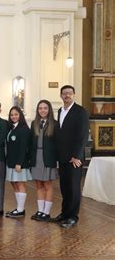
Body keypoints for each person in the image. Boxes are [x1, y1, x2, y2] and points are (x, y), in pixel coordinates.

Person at [52, 85, 89, 229]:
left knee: (73, 188)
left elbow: (83, 136)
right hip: (62, 157)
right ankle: (65, 213)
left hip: (75, 158)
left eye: (69, 93)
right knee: (64, 187)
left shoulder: (81, 111)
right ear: (61, 96)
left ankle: (73, 216)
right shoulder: (60, 111)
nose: (67, 96)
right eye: (64, 93)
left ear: (74, 95)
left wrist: (77, 156)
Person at [29, 100, 58, 222]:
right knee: (39, 185)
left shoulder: (55, 124)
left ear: (49, 109)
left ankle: (46, 212)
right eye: (40, 108)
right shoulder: (34, 123)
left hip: (48, 158)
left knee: (47, 185)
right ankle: (40, 211)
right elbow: (31, 143)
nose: (42, 110)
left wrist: (57, 160)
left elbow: (58, 144)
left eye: (45, 108)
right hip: (37, 157)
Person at [5, 106, 32, 218]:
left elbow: (23, 148)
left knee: (20, 184)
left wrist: (19, 163)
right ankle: (18, 208)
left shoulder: (24, 129)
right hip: (11, 161)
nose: (14, 116)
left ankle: (21, 210)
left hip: (19, 162)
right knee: (14, 183)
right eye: (12, 115)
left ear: (20, 115)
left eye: (16, 114)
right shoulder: (11, 128)